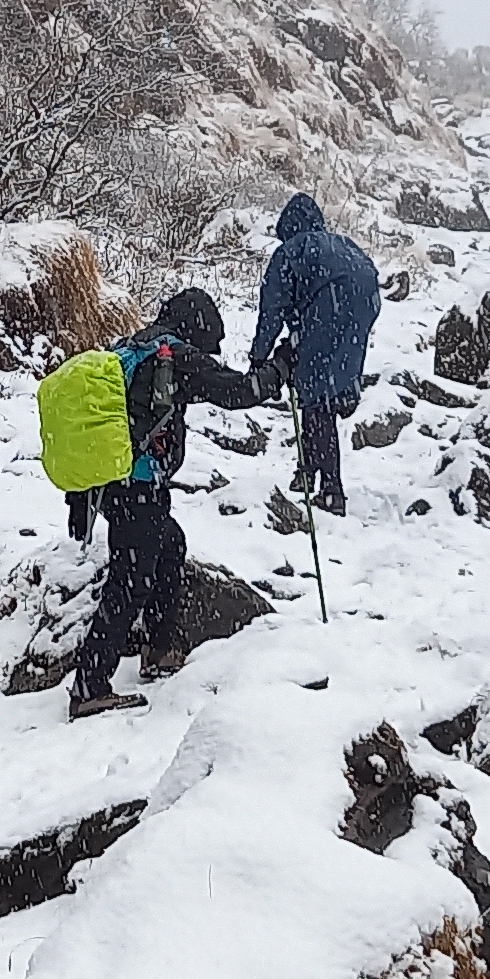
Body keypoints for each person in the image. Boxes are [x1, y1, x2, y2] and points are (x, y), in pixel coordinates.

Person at [67, 286, 268, 720]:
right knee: (131, 577)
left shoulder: (131, 347)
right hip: (137, 485)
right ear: (197, 328)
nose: (207, 351)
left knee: (170, 545)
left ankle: (159, 649)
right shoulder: (174, 357)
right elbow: (238, 392)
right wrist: (282, 369)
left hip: (112, 481)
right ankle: (90, 688)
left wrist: (79, 496)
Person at [251, 192, 381, 515]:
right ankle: (307, 472)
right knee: (326, 388)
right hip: (365, 300)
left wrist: (258, 356)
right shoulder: (338, 243)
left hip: (330, 305)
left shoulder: (290, 252)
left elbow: (272, 309)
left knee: (316, 400)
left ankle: (331, 490)